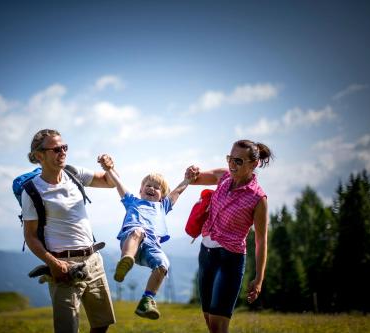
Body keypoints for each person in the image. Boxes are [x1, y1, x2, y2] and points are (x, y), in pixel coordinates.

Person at [21, 129, 116, 333]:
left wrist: (109, 167)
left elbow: (110, 182)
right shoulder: (31, 191)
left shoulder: (74, 173)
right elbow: (29, 235)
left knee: (102, 323)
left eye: (64, 147)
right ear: (39, 156)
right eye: (56, 149)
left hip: (93, 260)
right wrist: (53, 263)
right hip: (63, 267)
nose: (62, 152)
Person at [185, 140, 272, 333]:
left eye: (239, 161)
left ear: (254, 164)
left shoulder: (258, 198)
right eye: (230, 159)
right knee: (209, 320)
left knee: (218, 324)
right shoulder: (223, 176)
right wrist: (191, 172)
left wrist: (259, 279)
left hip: (230, 259)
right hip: (206, 255)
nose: (232, 165)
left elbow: (261, 240)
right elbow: (195, 179)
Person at [98, 154, 190, 320]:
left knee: (164, 264)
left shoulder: (163, 206)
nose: (152, 188)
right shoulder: (132, 201)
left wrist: (187, 179)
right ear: (140, 190)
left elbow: (177, 191)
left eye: (157, 187)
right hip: (131, 240)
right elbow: (119, 184)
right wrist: (109, 169)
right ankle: (126, 261)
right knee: (138, 232)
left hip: (152, 246)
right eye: (148, 185)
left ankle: (147, 300)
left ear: (162, 195)